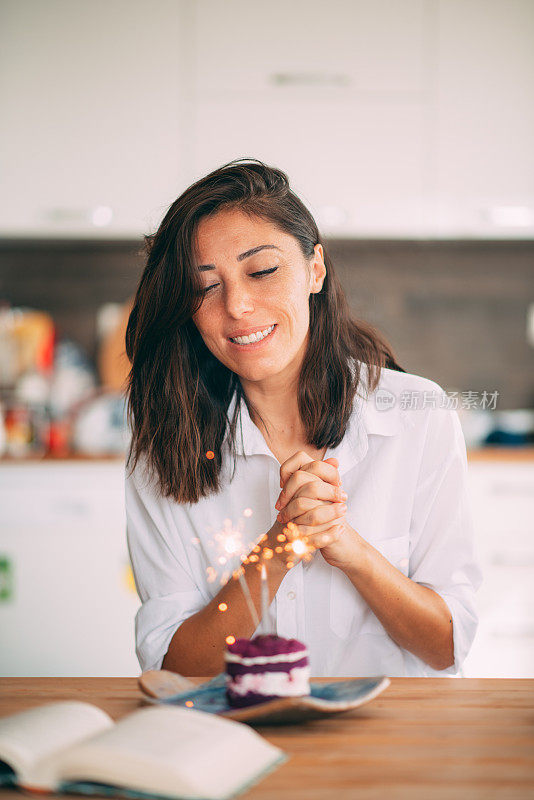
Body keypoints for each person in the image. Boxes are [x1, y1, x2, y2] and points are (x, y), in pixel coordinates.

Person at [124, 158, 482, 678]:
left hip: (395, 742)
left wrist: (350, 548)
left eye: (262, 270)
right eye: (206, 286)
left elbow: (446, 646)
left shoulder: (420, 418)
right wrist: (277, 550)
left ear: (315, 268)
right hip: (237, 737)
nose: (239, 306)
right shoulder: (165, 444)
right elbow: (173, 668)